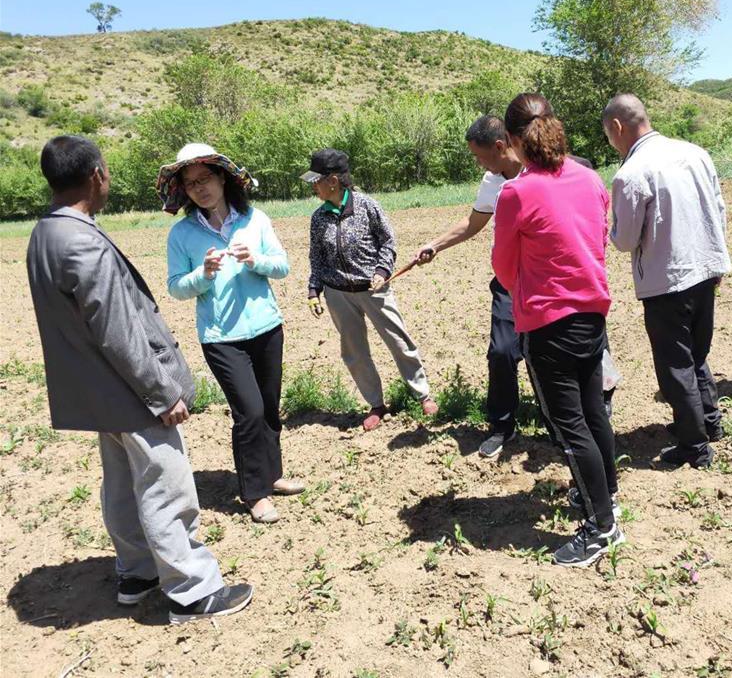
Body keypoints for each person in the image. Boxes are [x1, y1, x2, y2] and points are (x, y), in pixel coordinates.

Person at [26, 135, 252, 624]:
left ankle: (137, 572)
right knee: (165, 485)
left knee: (124, 485)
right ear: (97, 176)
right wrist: (161, 391)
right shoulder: (83, 241)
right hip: (130, 390)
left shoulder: (44, 234)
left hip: (96, 392)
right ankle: (192, 590)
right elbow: (118, 330)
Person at [415, 117, 619, 459]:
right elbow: (474, 221)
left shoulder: (548, 171)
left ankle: (572, 425)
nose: (478, 163)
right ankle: (502, 425)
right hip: (511, 282)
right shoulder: (493, 181)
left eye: (479, 155)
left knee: (571, 359)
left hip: (554, 285)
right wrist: (435, 245)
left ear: (500, 146)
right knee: (502, 352)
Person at [492, 93, 623, 567]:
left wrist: (528, 290)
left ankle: (601, 527)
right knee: (594, 415)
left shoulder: (517, 193)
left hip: (549, 324)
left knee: (570, 430)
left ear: (510, 140)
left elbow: (503, 267)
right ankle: (606, 496)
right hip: (592, 314)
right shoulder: (589, 177)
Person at [161, 143, 303, 524]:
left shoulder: (255, 219)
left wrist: (255, 261)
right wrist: (202, 274)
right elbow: (175, 287)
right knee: (249, 412)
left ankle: (273, 476)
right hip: (221, 336)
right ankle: (254, 493)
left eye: (205, 178)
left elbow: (283, 266)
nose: (200, 188)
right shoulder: (182, 235)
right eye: (191, 184)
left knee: (269, 408)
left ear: (222, 177)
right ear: (184, 192)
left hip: (266, 327)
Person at [604, 94, 732, 470]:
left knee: (674, 363)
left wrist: (610, 231)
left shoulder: (631, 173)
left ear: (617, 128)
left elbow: (626, 239)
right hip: (706, 267)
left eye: (609, 136)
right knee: (697, 353)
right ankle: (710, 421)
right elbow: (719, 209)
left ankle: (694, 445)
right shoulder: (695, 153)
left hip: (667, 278)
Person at [304, 149, 438, 431]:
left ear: (333, 181)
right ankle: (376, 404)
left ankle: (422, 393)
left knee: (398, 340)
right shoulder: (318, 218)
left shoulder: (367, 206)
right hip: (337, 293)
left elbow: (388, 242)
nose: (312, 186)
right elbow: (316, 256)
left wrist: (382, 271)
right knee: (354, 352)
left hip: (373, 288)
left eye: (316, 180)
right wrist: (314, 289)